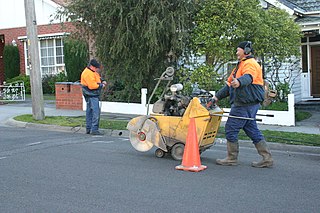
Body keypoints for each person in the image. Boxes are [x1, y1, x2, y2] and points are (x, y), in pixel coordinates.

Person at [213, 41, 273, 168]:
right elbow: (229, 85)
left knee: (230, 129)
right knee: (252, 130)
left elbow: (248, 77)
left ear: (245, 50)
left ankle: (231, 158)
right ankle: (267, 158)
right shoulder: (239, 66)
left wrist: (239, 82)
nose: (236, 52)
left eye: (237, 50)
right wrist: (216, 97)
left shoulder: (250, 64)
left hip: (243, 105)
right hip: (250, 104)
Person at [80, 59, 106, 135]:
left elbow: (97, 78)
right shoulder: (88, 73)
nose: (96, 69)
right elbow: (92, 86)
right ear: (91, 66)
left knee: (90, 112)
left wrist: (102, 80)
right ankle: (94, 129)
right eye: (95, 67)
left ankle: (89, 128)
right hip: (92, 94)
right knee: (95, 112)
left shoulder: (91, 72)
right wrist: (102, 85)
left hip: (90, 95)